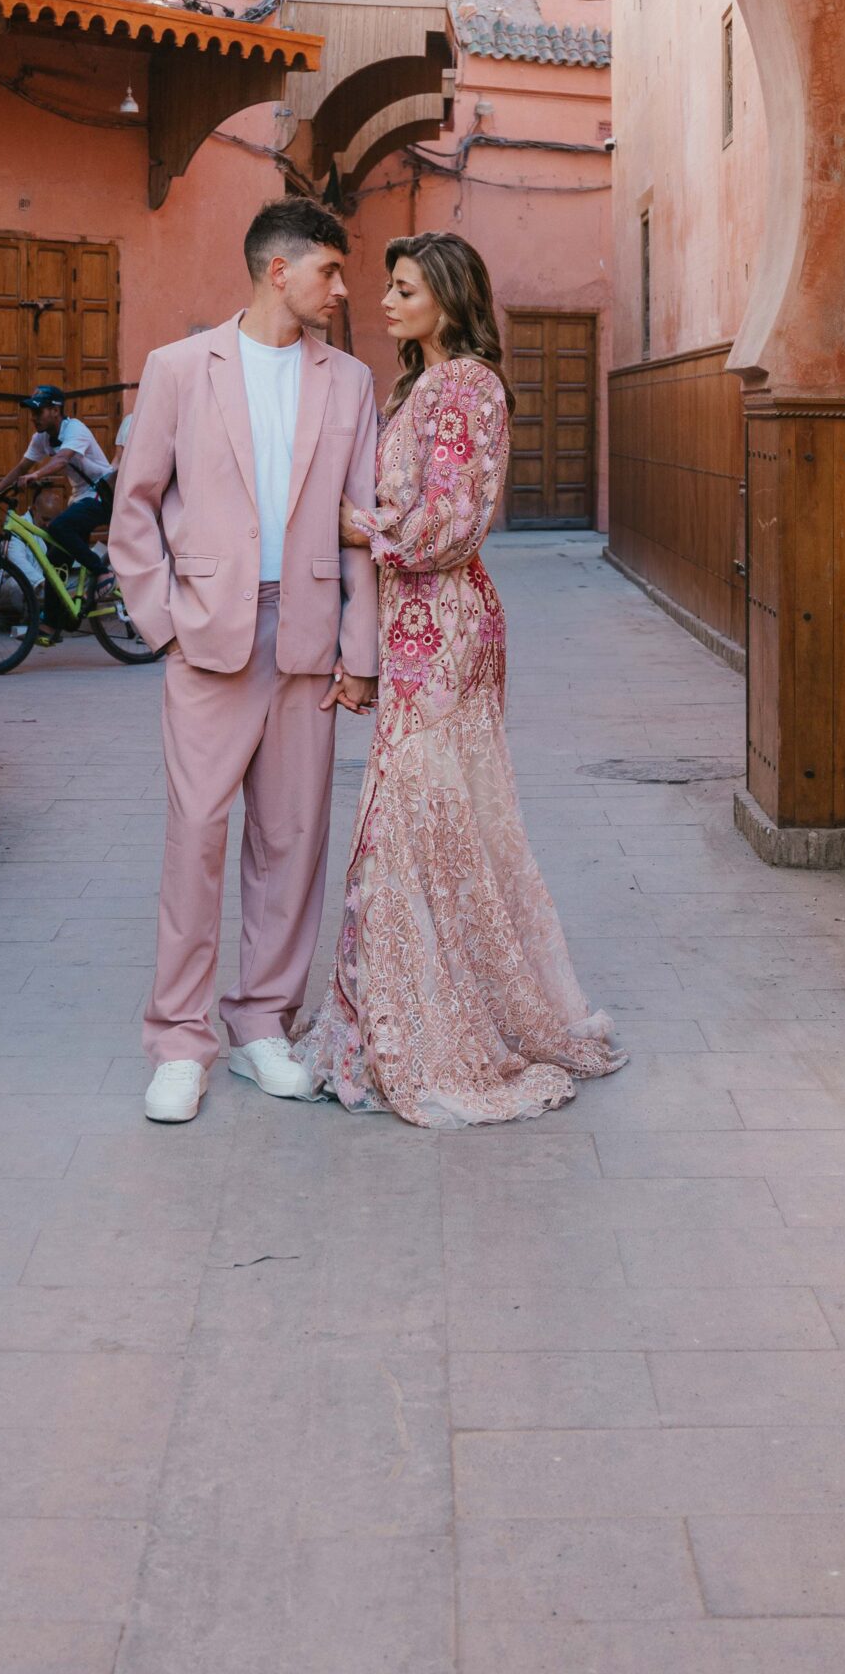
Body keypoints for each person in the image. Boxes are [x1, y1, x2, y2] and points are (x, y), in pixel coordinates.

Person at [294, 231, 626, 1125]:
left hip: (440, 624)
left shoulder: (466, 385)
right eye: (387, 286)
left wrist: (361, 529)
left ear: (444, 295)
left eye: (403, 288)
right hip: (419, 623)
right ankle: (407, 1013)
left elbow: (452, 521)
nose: (386, 299)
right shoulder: (423, 385)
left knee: (416, 818)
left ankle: (432, 1029)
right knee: (422, 819)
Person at [108, 199, 380, 1124]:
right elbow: (134, 506)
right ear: (278, 271)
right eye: (330, 272)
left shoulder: (349, 381)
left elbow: (358, 532)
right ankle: (179, 1041)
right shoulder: (180, 369)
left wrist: (360, 650)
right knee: (197, 836)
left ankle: (262, 1022)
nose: (343, 290)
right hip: (208, 637)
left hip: (306, 640)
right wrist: (164, 623)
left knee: (292, 842)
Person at [0, 384, 114, 588]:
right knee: (56, 563)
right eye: (32, 412)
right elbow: (21, 467)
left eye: (38, 412)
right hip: (81, 498)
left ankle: (103, 573)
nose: (33, 417)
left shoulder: (75, 429)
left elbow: (63, 459)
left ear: (56, 411)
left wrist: (36, 474)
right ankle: (56, 619)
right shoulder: (42, 438)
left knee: (59, 526)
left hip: (102, 495)